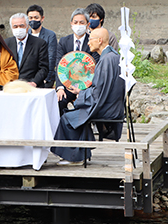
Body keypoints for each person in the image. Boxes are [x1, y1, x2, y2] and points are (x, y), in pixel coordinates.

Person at [51, 28, 125, 164]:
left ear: (100, 41)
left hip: (106, 108)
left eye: (90, 39)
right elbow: (102, 89)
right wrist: (81, 93)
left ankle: (75, 157)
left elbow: (99, 93)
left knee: (67, 118)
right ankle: (79, 152)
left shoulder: (106, 60)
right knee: (73, 114)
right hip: (111, 104)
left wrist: (81, 94)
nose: (88, 43)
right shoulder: (111, 56)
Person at [55, 8, 96, 115]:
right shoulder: (64, 41)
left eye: (82, 23)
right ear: (71, 24)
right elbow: (59, 65)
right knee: (58, 102)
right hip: (67, 85)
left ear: (88, 25)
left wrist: (83, 91)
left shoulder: (92, 41)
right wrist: (60, 88)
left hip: (86, 87)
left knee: (84, 104)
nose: (78, 25)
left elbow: (94, 68)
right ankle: (62, 129)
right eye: (75, 22)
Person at [5, 13, 49, 87]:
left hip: (32, 86)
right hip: (11, 86)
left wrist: (34, 82)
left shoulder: (39, 43)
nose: (18, 29)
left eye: (21, 26)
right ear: (11, 28)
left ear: (27, 26)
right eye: (15, 26)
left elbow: (43, 68)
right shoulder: (6, 44)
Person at [27, 4, 58, 88]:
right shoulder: (26, 34)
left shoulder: (50, 35)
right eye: (30, 18)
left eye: (36, 17)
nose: (33, 20)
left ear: (42, 18)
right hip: (29, 78)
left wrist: (46, 78)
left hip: (45, 78)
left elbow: (51, 58)